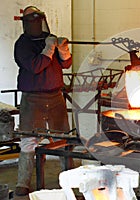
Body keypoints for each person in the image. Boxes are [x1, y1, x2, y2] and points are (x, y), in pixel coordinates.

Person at [14, 6, 72, 196]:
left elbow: (66, 64)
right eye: (33, 22)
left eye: (39, 21)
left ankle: (68, 179)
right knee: (29, 141)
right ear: (27, 24)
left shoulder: (50, 38)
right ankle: (23, 182)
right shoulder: (22, 44)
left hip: (55, 97)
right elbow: (36, 66)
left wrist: (63, 50)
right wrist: (49, 48)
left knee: (62, 140)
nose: (37, 25)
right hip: (32, 100)